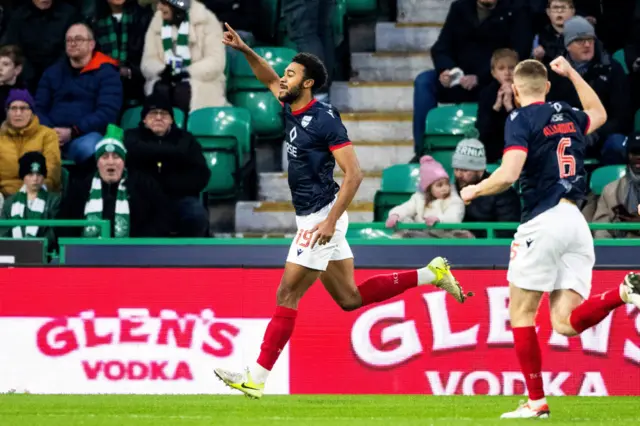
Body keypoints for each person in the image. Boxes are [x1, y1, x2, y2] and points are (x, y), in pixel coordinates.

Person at [213, 24, 473, 399]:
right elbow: (267, 77)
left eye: (290, 74)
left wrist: (330, 222)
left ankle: (256, 376)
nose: (281, 78)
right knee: (350, 298)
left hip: (322, 215)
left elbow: (355, 174)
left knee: (287, 294)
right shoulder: (291, 105)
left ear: (308, 84)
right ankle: (430, 273)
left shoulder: (324, 118)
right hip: (313, 216)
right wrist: (244, 50)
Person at [460, 57, 640, 418]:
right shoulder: (570, 114)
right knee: (563, 322)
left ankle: (536, 401)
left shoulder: (519, 119)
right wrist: (572, 72)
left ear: (514, 88)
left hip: (543, 220)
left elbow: (509, 174)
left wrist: (475, 190)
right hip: (577, 221)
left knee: (522, 313)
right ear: (547, 86)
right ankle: (623, 292)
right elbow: (599, 114)